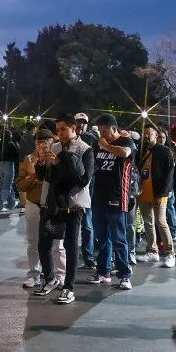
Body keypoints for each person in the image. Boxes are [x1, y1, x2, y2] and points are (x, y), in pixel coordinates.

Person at [34, 114, 93, 305]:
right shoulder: (55, 147)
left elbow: (83, 180)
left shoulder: (85, 150)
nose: (59, 133)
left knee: (70, 245)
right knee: (44, 242)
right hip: (52, 205)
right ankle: (49, 278)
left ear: (73, 129)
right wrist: (41, 162)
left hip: (73, 205)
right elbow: (46, 177)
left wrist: (60, 163)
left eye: (62, 129)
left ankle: (68, 287)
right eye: (57, 130)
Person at [87, 113, 135, 290]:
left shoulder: (125, 142)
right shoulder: (98, 145)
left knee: (119, 237)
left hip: (117, 196)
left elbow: (125, 153)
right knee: (102, 237)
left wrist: (106, 146)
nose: (102, 135)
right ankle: (103, 271)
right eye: (100, 131)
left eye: (105, 131)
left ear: (115, 129)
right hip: (99, 195)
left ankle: (124, 274)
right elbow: (93, 163)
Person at [17, 128, 65, 288]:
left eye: (46, 143)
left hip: (53, 206)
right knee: (33, 241)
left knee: (57, 243)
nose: (42, 146)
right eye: (39, 143)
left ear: (53, 142)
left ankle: (60, 275)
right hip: (34, 204)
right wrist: (34, 175)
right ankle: (33, 274)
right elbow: (20, 184)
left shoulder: (59, 157)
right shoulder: (29, 159)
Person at [136, 123, 176, 267]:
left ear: (156, 135)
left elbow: (169, 174)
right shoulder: (140, 151)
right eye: (145, 133)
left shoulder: (164, 152)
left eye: (150, 133)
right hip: (143, 192)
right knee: (148, 223)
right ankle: (151, 250)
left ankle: (170, 252)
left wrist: (162, 193)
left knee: (161, 222)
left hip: (159, 193)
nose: (147, 136)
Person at [75, 112, 98, 269]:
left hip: (89, 188)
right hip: (71, 188)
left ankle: (88, 256)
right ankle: (70, 255)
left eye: (83, 122)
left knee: (88, 225)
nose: (81, 124)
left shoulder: (93, 140)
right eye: (78, 122)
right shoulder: (68, 139)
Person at [0, 131, 19, 213]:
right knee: (6, 186)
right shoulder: (11, 144)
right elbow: (16, 155)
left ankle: (11, 203)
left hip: (0, 164)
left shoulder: (0, 144)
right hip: (9, 164)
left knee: (6, 185)